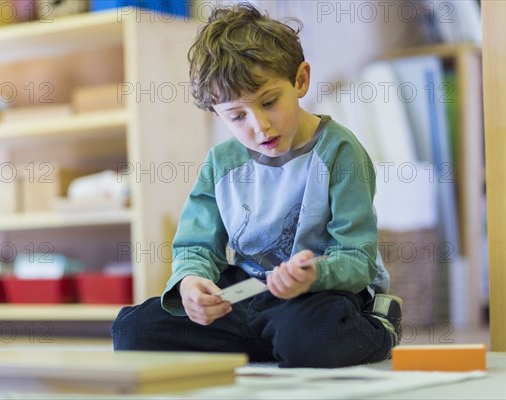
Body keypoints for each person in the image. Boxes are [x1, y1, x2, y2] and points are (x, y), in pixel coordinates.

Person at [111, 2, 403, 368]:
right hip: (247, 293)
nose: (260, 126)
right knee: (133, 331)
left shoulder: (339, 151)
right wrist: (191, 283)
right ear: (218, 114)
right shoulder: (221, 163)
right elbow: (197, 246)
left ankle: (377, 326)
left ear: (300, 80)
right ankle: (275, 343)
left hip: (321, 293)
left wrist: (313, 276)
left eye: (269, 102)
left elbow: (356, 258)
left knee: (312, 335)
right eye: (237, 116)